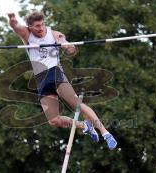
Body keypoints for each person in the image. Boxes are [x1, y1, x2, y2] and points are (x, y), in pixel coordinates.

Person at [8, 11, 117, 150]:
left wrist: (66, 46)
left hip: (55, 72)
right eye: (37, 26)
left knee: (77, 104)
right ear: (30, 27)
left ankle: (105, 133)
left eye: (42, 24)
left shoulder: (54, 34)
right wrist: (11, 18)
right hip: (41, 79)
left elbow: (71, 49)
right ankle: (84, 125)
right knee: (54, 120)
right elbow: (15, 26)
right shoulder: (26, 34)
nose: (41, 29)